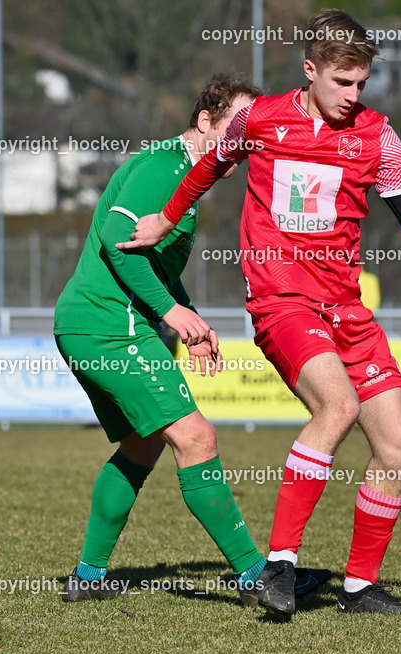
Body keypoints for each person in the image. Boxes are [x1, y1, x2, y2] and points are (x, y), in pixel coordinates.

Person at [117, 9, 401, 616]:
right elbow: (210, 167)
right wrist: (164, 219)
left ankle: (360, 588)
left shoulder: (378, 135)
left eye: (362, 83)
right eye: (342, 81)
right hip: (282, 300)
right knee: (337, 406)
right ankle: (280, 565)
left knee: (400, 447)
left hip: (346, 306)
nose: (353, 95)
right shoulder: (259, 118)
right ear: (310, 70)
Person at [54, 75, 269, 604]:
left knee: (143, 443)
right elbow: (117, 240)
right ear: (205, 121)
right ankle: (256, 575)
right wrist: (172, 312)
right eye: (237, 126)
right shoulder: (166, 166)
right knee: (197, 439)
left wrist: (188, 317)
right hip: (110, 325)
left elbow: (157, 267)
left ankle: (88, 578)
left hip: (94, 324)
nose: (244, 140)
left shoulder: (187, 181)